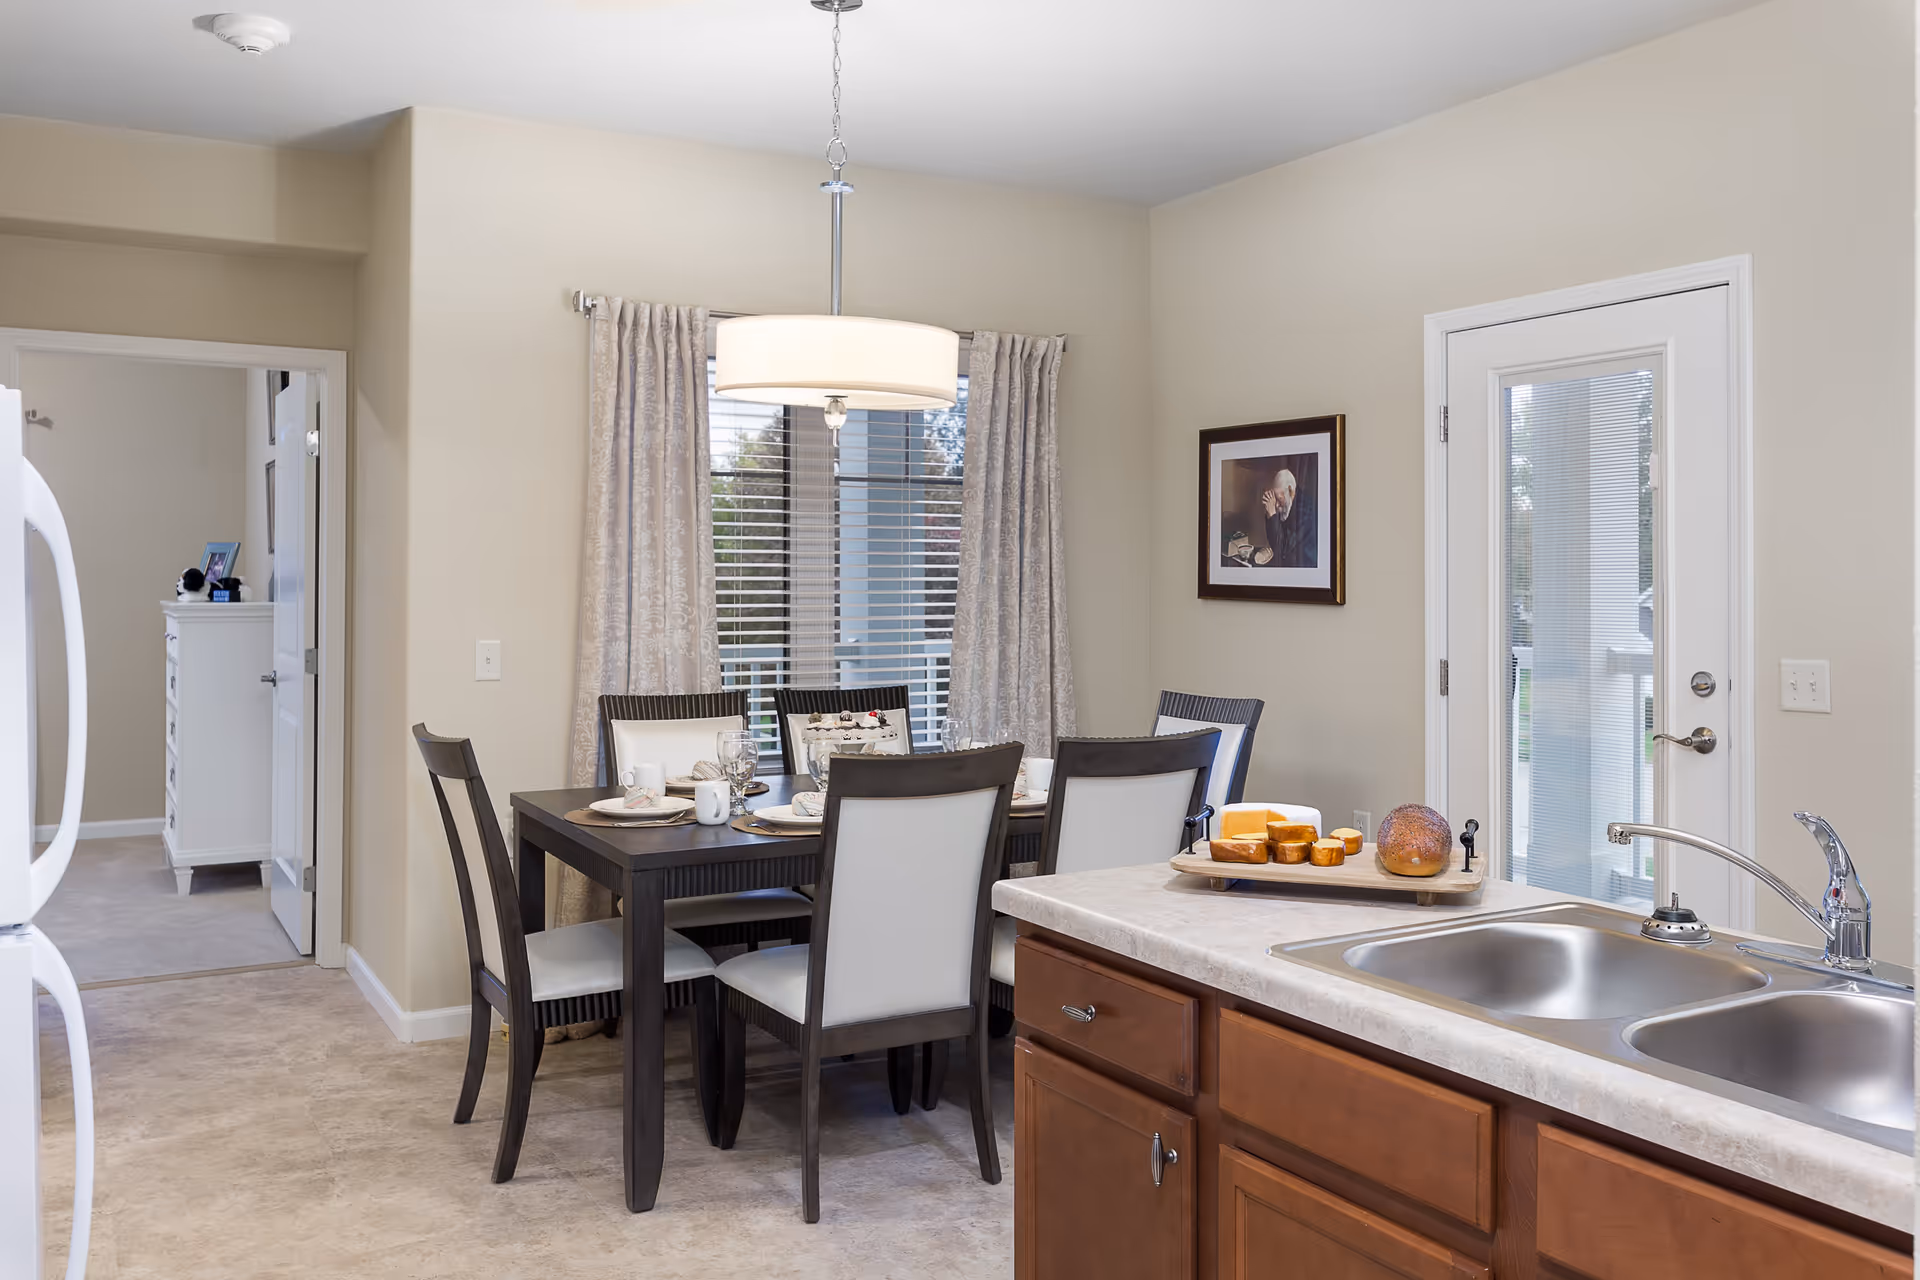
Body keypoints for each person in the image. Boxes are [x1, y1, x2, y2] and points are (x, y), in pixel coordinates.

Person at [1260, 467, 1316, 568]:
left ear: (1290, 490)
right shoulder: (1288, 503)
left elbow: (1283, 551)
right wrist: (1269, 514)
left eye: (1279, 499)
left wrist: (1272, 514)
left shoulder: (1305, 510)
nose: (1276, 505)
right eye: (1274, 499)